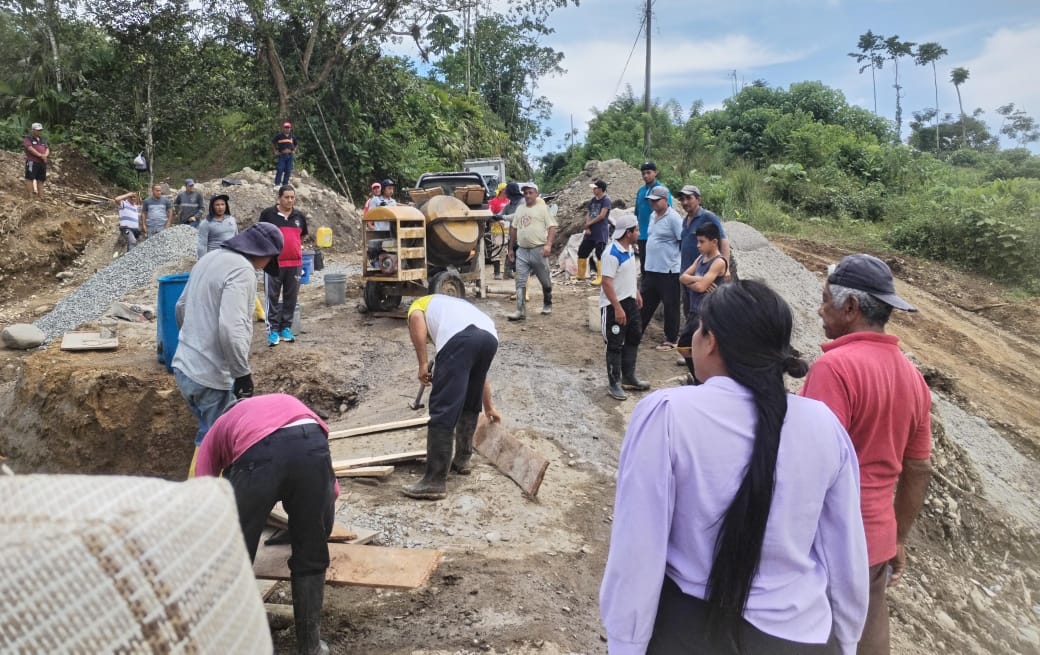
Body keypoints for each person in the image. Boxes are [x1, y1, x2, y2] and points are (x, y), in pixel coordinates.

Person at [601, 280, 869, 655]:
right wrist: (848, 639)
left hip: (691, 630)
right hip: (801, 635)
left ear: (711, 341)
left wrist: (626, 644)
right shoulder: (824, 425)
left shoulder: (668, 414)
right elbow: (843, 551)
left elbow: (638, 549)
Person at [800, 254, 932, 655]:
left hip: (828, 540)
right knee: (868, 632)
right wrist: (898, 538)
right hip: (876, 540)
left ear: (851, 308)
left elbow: (811, 464)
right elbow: (919, 468)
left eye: (825, 301)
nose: (820, 311)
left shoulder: (833, 369)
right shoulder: (913, 378)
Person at [194, 393, 337, 655]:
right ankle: (311, 647)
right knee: (311, 553)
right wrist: (317, 530)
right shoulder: (286, 403)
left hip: (259, 454)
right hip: (311, 441)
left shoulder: (219, 428)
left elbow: (203, 490)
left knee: (235, 554)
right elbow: (331, 492)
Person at [172, 223, 284, 449]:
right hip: (210, 377)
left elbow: (180, 307)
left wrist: (194, 343)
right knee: (219, 445)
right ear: (264, 253)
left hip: (184, 368)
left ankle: (204, 469)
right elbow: (231, 327)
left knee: (207, 435)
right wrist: (241, 373)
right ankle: (207, 473)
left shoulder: (209, 259)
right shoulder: (242, 270)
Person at [402, 294, 501, 500]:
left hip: (459, 338)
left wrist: (422, 363)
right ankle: (463, 459)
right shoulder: (454, 306)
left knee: (443, 407)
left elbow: (416, 319)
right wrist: (489, 407)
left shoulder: (419, 305)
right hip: (489, 337)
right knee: (469, 399)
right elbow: (480, 377)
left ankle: (434, 481)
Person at [599, 214, 649, 401]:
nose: (639, 233)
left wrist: (636, 292)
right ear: (628, 232)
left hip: (629, 302)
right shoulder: (612, 253)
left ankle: (629, 376)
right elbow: (606, 282)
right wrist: (618, 308)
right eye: (636, 230)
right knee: (614, 343)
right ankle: (614, 383)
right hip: (614, 305)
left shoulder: (628, 250)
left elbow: (627, 275)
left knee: (634, 336)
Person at [677, 222, 729, 382]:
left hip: (705, 314)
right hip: (694, 311)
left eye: (702, 242)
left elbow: (700, 287)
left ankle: (702, 381)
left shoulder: (719, 262)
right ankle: (699, 379)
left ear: (714, 242)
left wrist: (693, 281)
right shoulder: (701, 258)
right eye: (698, 241)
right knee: (684, 347)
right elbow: (682, 277)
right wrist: (699, 279)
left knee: (692, 347)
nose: (698, 245)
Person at [260, 186, 309, 346]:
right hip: (273, 263)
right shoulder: (268, 214)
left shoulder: (299, 217)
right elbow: (260, 235)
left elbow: (301, 237)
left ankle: (286, 328)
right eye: (286, 197)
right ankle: (273, 330)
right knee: (272, 297)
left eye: (292, 197)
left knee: (291, 297)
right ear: (279, 198)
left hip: (295, 263)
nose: (290, 200)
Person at [639, 185, 684, 350]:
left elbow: (682, 241)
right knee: (644, 303)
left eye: (656, 201)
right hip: (652, 269)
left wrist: (677, 261)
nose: (653, 203)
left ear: (665, 200)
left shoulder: (674, 218)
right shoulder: (652, 215)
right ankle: (636, 332)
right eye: (651, 201)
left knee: (670, 305)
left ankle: (671, 339)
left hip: (669, 271)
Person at [506, 182, 556, 320]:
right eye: (525, 193)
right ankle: (520, 310)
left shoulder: (543, 209)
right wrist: (510, 248)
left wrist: (548, 245)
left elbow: (552, 227)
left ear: (536, 194)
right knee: (520, 280)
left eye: (530, 192)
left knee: (545, 281)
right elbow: (514, 228)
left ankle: (547, 302)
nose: (527, 195)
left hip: (538, 249)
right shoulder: (520, 209)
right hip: (522, 250)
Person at [679, 184, 732, 287]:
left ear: (698, 200)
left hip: (705, 272)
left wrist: (726, 268)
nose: (685, 202)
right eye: (682, 199)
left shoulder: (708, 217)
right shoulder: (685, 220)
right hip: (687, 272)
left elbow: (723, 240)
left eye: (689, 198)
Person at [634, 162, 671, 275]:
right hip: (643, 236)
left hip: (657, 236)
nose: (646, 176)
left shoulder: (662, 191)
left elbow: (668, 212)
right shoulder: (641, 191)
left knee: (657, 267)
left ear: (655, 173)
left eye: (648, 172)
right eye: (643, 173)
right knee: (644, 266)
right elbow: (637, 212)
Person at [577, 180, 612, 286]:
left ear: (601, 189)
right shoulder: (593, 200)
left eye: (595, 188)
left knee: (599, 253)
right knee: (582, 251)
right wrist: (587, 226)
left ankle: (600, 277)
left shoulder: (606, 200)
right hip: (590, 231)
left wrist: (589, 224)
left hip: (600, 231)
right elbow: (589, 213)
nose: (593, 190)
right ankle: (581, 274)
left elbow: (602, 216)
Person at [196, 194, 239, 260]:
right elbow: (202, 246)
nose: (220, 207)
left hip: (231, 258)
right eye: (217, 205)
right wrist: (203, 262)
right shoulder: (206, 223)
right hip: (215, 259)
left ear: (226, 205)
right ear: (212, 206)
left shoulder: (231, 219)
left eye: (222, 204)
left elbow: (237, 238)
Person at [23, 122, 49, 200]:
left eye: (40, 130)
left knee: (41, 179)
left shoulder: (42, 140)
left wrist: (45, 155)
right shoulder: (28, 139)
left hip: (42, 162)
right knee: (29, 178)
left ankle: (41, 197)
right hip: (32, 161)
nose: (39, 132)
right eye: (38, 130)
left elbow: (47, 148)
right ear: (33, 130)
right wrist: (40, 155)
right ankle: (30, 197)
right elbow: (30, 149)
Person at [272, 121, 298, 187]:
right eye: (286, 127)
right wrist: (275, 151)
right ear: (283, 128)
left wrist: (294, 150)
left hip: (290, 155)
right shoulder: (279, 135)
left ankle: (285, 184)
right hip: (282, 155)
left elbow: (296, 144)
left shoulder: (292, 136)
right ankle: (277, 184)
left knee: (288, 170)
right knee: (280, 169)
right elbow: (273, 142)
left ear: (290, 128)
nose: (287, 129)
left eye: (288, 127)